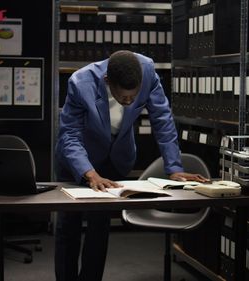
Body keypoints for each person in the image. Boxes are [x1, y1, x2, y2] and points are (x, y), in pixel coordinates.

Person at [54, 50, 209, 281]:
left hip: (114, 158)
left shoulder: (147, 71)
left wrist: (175, 168)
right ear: (107, 82)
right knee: (69, 225)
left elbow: (162, 120)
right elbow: (70, 135)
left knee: (99, 225)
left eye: (133, 98)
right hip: (78, 159)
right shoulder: (80, 82)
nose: (128, 102)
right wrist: (89, 173)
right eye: (123, 98)